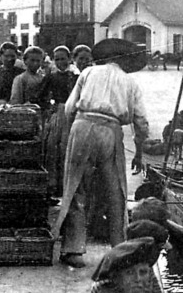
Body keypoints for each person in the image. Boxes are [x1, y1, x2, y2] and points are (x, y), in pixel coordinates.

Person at [53, 38, 149, 268]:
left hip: (83, 124)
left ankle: (73, 250)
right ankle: (119, 247)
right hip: (111, 130)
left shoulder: (88, 73)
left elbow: (69, 108)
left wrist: (72, 137)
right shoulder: (130, 83)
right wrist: (139, 152)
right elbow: (141, 122)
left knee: (76, 188)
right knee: (115, 190)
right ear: (123, 60)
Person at [38, 45, 78, 196]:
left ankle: (66, 184)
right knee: (53, 147)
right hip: (58, 112)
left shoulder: (75, 76)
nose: (61, 62)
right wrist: (50, 105)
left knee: (68, 148)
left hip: (74, 113)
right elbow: (40, 95)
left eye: (63, 58)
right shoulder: (51, 76)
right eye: (57, 59)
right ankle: (53, 184)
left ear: (69, 59)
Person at [0, 41, 24, 106]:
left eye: (12, 56)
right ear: (0, 56)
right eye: (6, 56)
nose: (9, 59)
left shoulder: (21, 73)